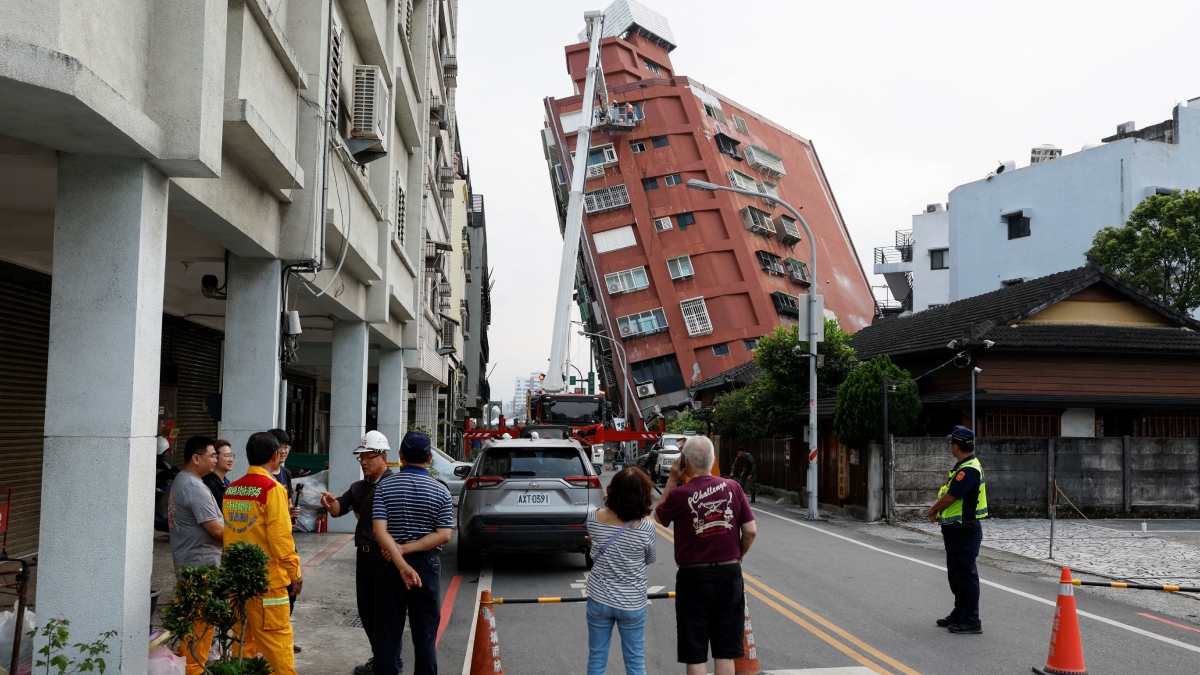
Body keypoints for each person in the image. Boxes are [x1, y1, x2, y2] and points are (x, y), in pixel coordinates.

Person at [654, 436, 756, 675]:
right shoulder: (734, 487)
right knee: (725, 651)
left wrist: (671, 479)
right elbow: (750, 530)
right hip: (729, 573)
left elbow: (659, 517)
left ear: (684, 462)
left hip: (693, 577)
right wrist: (737, 556)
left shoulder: (680, 494)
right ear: (714, 460)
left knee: (696, 652)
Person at [371, 431, 454, 675]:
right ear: (429, 458)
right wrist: (408, 553)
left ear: (400, 456)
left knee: (387, 635)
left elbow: (379, 531)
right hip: (427, 566)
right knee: (425, 635)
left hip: (389, 565)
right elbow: (444, 535)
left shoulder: (385, 486)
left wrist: (399, 556)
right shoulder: (441, 491)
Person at [222, 431, 303, 675]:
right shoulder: (272, 489)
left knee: (242, 643)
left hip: (238, 581)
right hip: (268, 583)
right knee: (277, 645)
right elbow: (280, 539)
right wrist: (295, 573)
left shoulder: (232, 490)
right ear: (275, 456)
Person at [320, 431, 396, 675]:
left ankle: (390, 661)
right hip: (364, 556)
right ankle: (382, 657)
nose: (363, 462)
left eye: (369, 457)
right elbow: (339, 508)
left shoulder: (394, 485)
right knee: (366, 610)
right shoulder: (359, 487)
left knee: (386, 611)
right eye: (361, 458)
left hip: (385, 556)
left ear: (383, 457)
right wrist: (330, 503)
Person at [585, 467, 657, 675]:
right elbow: (649, 559)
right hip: (632, 602)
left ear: (612, 491)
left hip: (598, 599)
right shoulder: (646, 528)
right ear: (644, 495)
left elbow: (597, 540)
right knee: (635, 661)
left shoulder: (593, 517)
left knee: (597, 657)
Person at [168, 436, 223, 675]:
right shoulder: (194, 487)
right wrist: (247, 535)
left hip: (190, 565)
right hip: (200, 568)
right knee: (200, 627)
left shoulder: (182, 480)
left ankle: (192, 668)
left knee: (195, 625)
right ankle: (193, 671)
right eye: (213, 455)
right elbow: (217, 530)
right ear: (196, 458)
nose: (216, 460)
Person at [926, 425, 988, 635]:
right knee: (956, 574)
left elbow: (952, 496)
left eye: (951, 442)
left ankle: (971, 619)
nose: (950, 446)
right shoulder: (963, 466)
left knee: (965, 574)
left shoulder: (968, 470)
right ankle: (960, 612)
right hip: (956, 530)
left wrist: (933, 508)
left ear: (957, 445)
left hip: (964, 530)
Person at [267, 428, 303, 652]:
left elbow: (287, 503)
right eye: (280, 447)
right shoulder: (263, 476)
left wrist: (291, 513)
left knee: (290, 591)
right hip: (272, 543)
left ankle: (284, 634)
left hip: (286, 537)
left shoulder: (286, 474)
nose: (283, 451)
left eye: (286, 447)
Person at [202, 439, 234, 506]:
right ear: (215, 458)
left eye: (231, 455)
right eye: (226, 456)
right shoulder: (209, 483)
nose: (231, 459)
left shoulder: (226, 482)